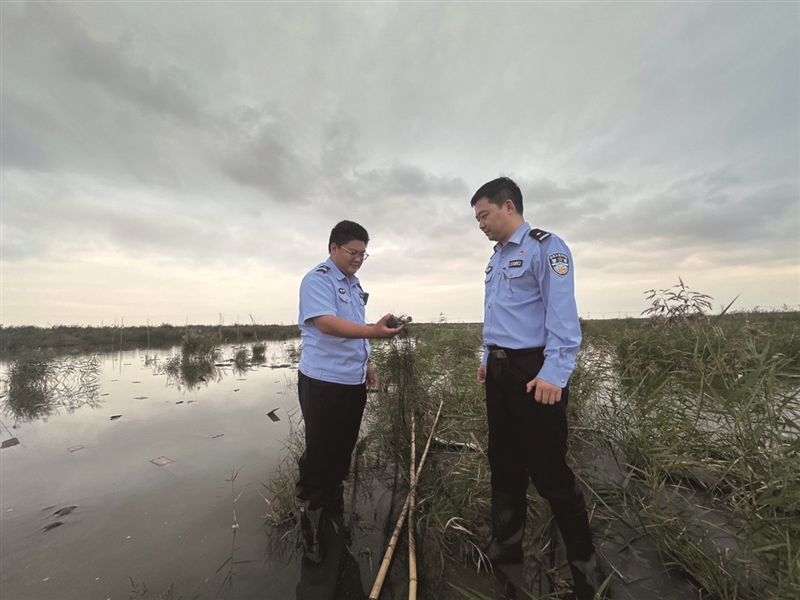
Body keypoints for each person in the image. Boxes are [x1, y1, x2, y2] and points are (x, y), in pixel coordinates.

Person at [471, 177, 610, 599]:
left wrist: (554, 372)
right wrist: (487, 359)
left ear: (508, 206)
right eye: (477, 219)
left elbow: (562, 315)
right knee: (504, 463)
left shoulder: (546, 248)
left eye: (484, 215)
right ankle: (507, 544)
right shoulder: (496, 258)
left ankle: (586, 569)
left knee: (550, 473)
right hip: (500, 372)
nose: (480, 224)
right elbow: (498, 315)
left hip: (534, 372)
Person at [295, 220, 403, 564]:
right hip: (323, 381)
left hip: (352, 380)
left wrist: (366, 361)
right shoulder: (318, 280)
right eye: (352, 252)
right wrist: (373, 332)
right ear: (333, 248)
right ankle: (311, 529)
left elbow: (353, 330)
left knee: (342, 448)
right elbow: (326, 323)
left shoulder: (354, 286)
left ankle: (333, 509)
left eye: (362, 254)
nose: (358, 259)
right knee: (320, 452)